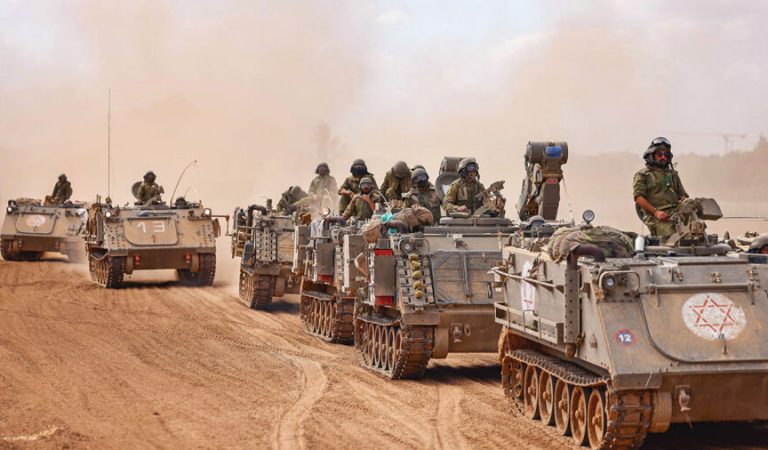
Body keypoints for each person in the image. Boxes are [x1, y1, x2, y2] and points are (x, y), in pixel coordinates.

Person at [633, 137, 690, 239]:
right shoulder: (643, 175)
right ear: (652, 156)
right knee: (672, 236)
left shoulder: (672, 174)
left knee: (692, 206)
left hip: (676, 212)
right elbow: (638, 198)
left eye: (666, 155)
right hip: (655, 216)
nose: (663, 157)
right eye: (659, 154)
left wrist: (683, 200)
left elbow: (684, 196)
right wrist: (656, 212)